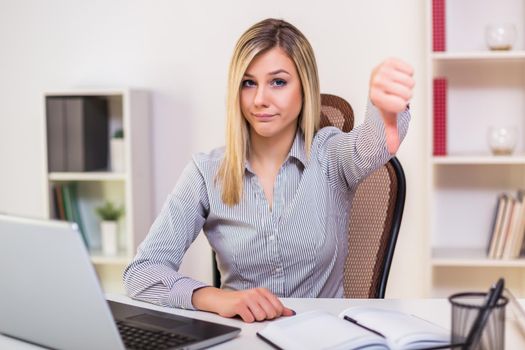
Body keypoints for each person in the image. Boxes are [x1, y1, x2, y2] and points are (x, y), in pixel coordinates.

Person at [123, 18, 414, 323]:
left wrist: (386, 114)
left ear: (305, 87)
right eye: (248, 83)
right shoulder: (206, 172)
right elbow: (141, 273)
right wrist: (217, 298)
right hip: (244, 336)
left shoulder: (331, 153)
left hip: (325, 337)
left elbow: (373, 145)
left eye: (278, 82)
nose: (260, 99)